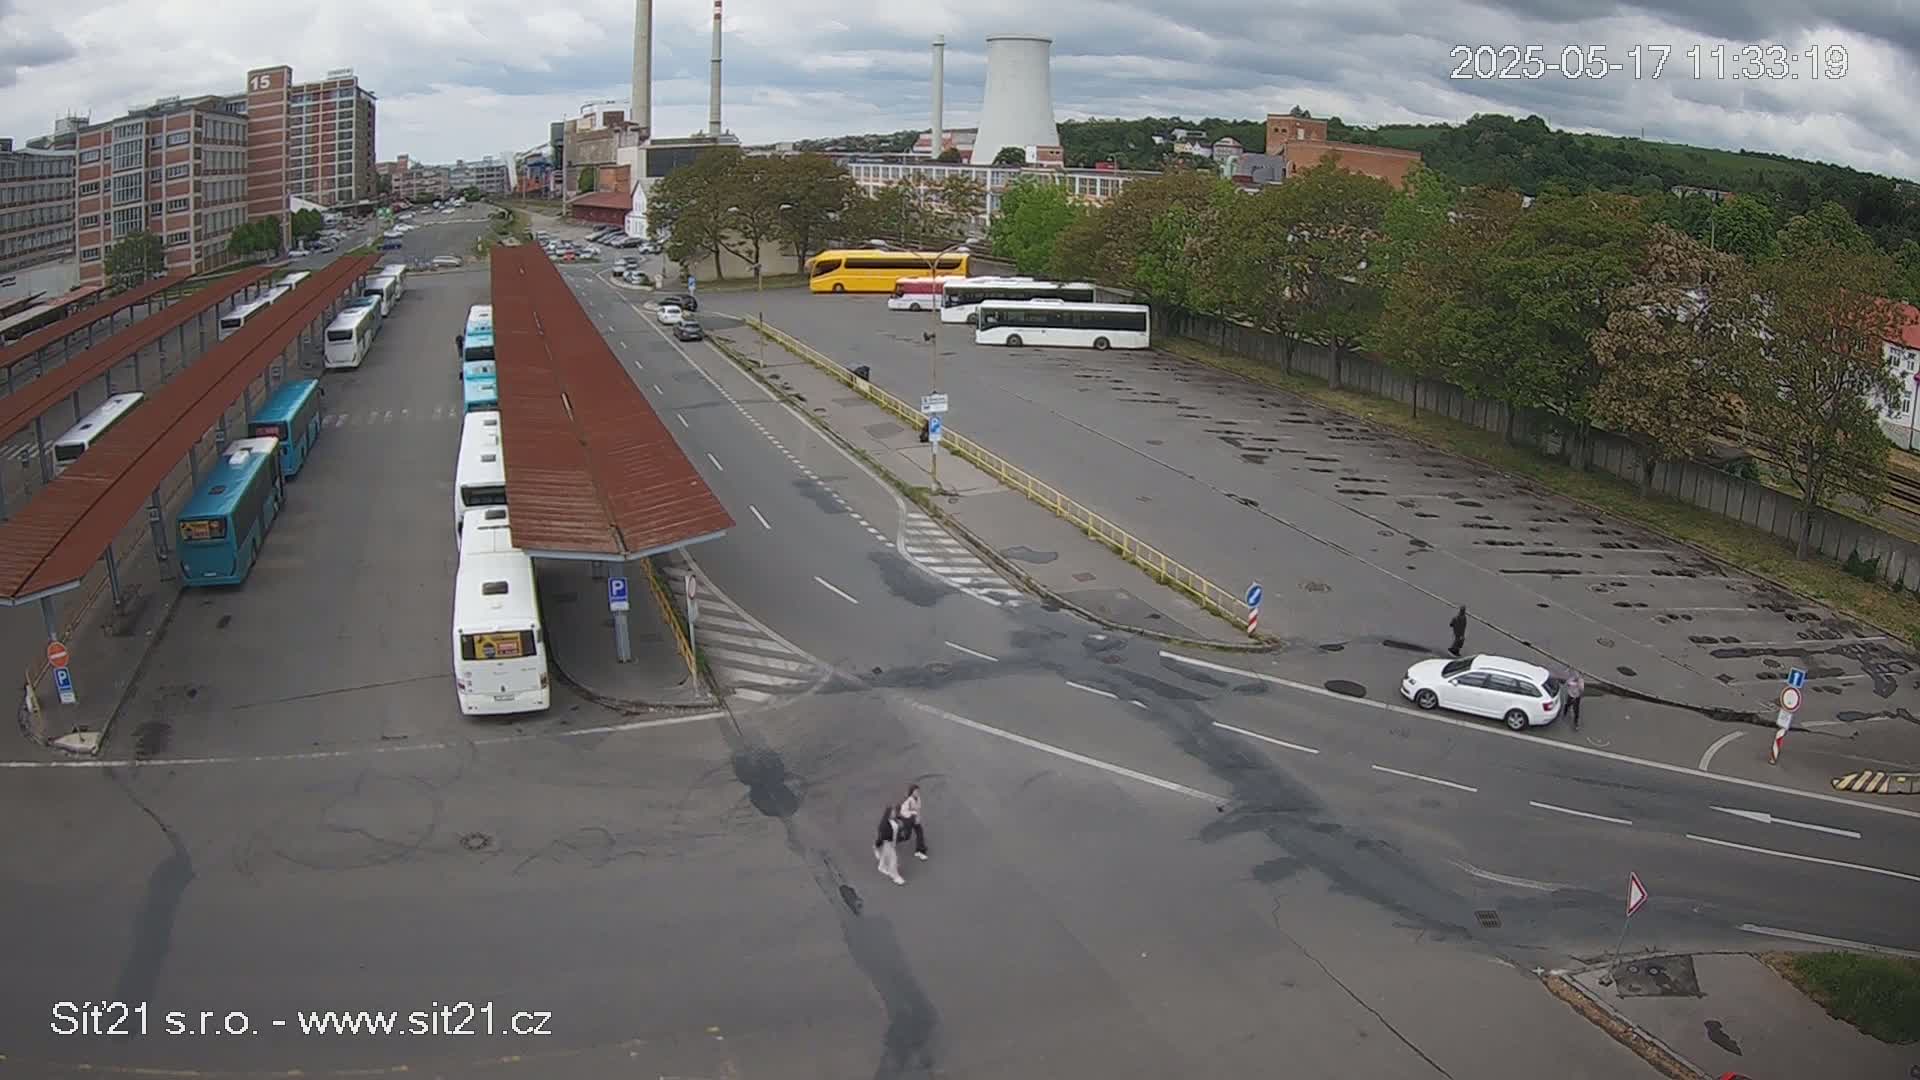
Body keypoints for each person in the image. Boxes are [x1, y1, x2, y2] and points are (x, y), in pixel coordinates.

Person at [874, 804, 907, 886]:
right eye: (892, 812)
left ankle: (881, 867)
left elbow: (898, 829)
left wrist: (901, 829)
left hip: (892, 843)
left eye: (894, 812)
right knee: (893, 859)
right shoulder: (885, 824)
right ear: (888, 813)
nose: (894, 813)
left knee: (885, 855)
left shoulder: (894, 821)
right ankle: (895, 876)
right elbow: (884, 835)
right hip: (887, 843)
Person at [898, 784, 929, 861]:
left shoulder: (918, 799)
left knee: (920, 832)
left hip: (914, 818)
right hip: (907, 819)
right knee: (907, 836)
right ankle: (894, 840)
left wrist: (918, 818)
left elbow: (918, 809)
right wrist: (912, 815)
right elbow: (903, 812)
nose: (918, 792)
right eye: (916, 791)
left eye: (918, 791)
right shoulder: (908, 800)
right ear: (912, 792)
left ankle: (919, 850)